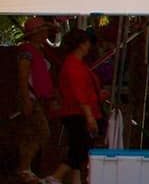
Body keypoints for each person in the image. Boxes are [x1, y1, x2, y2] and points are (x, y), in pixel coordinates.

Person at [49, 31, 100, 184]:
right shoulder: (73, 65)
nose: (89, 46)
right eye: (87, 43)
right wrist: (89, 116)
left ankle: (75, 181)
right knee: (80, 150)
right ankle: (55, 177)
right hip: (78, 113)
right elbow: (79, 93)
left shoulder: (77, 64)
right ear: (81, 45)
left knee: (78, 147)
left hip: (78, 111)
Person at [10, 19, 56, 182]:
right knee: (41, 132)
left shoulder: (40, 51)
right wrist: (25, 99)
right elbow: (23, 76)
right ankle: (24, 167)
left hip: (37, 98)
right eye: (43, 31)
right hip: (29, 97)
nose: (46, 34)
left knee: (31, 133)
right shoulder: (27, 52)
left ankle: (25, 169)